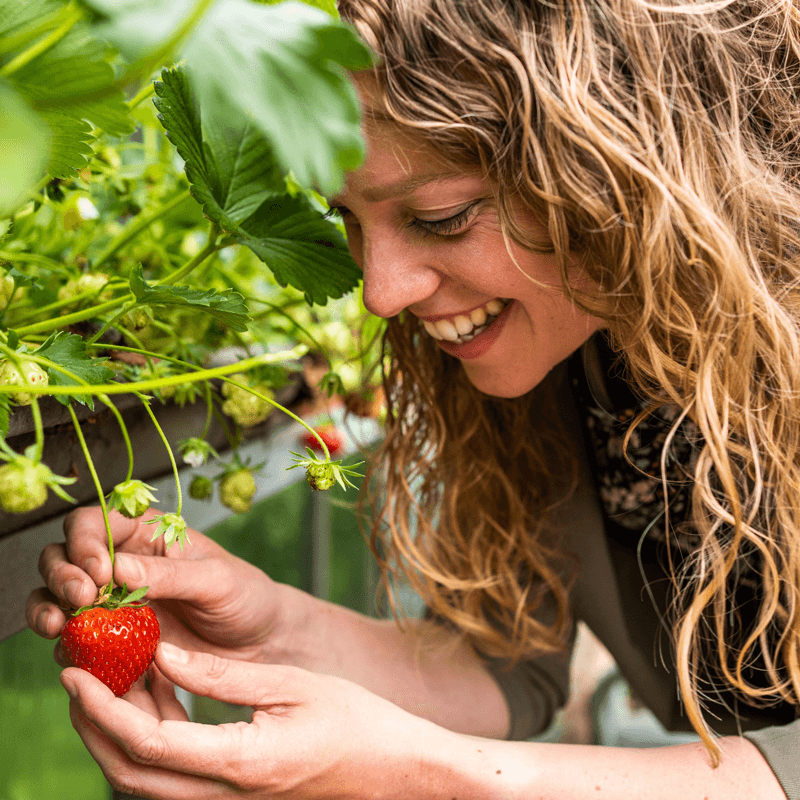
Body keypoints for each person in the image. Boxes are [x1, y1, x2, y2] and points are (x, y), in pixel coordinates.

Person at [25, 0, 800, 796]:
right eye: (348, 219)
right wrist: (273, 634)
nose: (380, 293)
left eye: (442, 215)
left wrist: (432, 777)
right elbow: (514, 664)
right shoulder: (555, 341)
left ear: (620, 158)